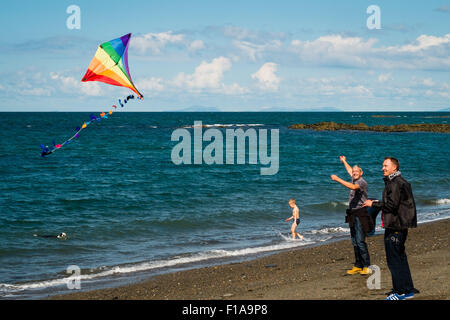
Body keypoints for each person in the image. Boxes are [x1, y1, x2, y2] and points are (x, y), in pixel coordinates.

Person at [364, 157, 418, 300]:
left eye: (385, 165)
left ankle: (400, 292)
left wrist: (372, 204)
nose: (383, 168)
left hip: (395, 226)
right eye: (382, 165)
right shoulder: (399, 182)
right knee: (400, 258)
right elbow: (396, 203)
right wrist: (377, 202)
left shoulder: (395, 183)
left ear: (394, 168)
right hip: (400, 225)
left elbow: (392, 206)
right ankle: (407, 289)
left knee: (394, 260)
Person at [330, 156, 372, 275]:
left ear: (361, 173)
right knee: (354, 241)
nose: (354, 173)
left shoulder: (361, 182)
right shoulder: (354, 177)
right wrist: (344, 161)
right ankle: (358, 265)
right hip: (352, 213)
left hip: (360, 213)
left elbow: (353, 187)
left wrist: (338, 179)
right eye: (353, 172)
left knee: (360, 241)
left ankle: (367, 265)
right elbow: (349, 170)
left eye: (356, 172)